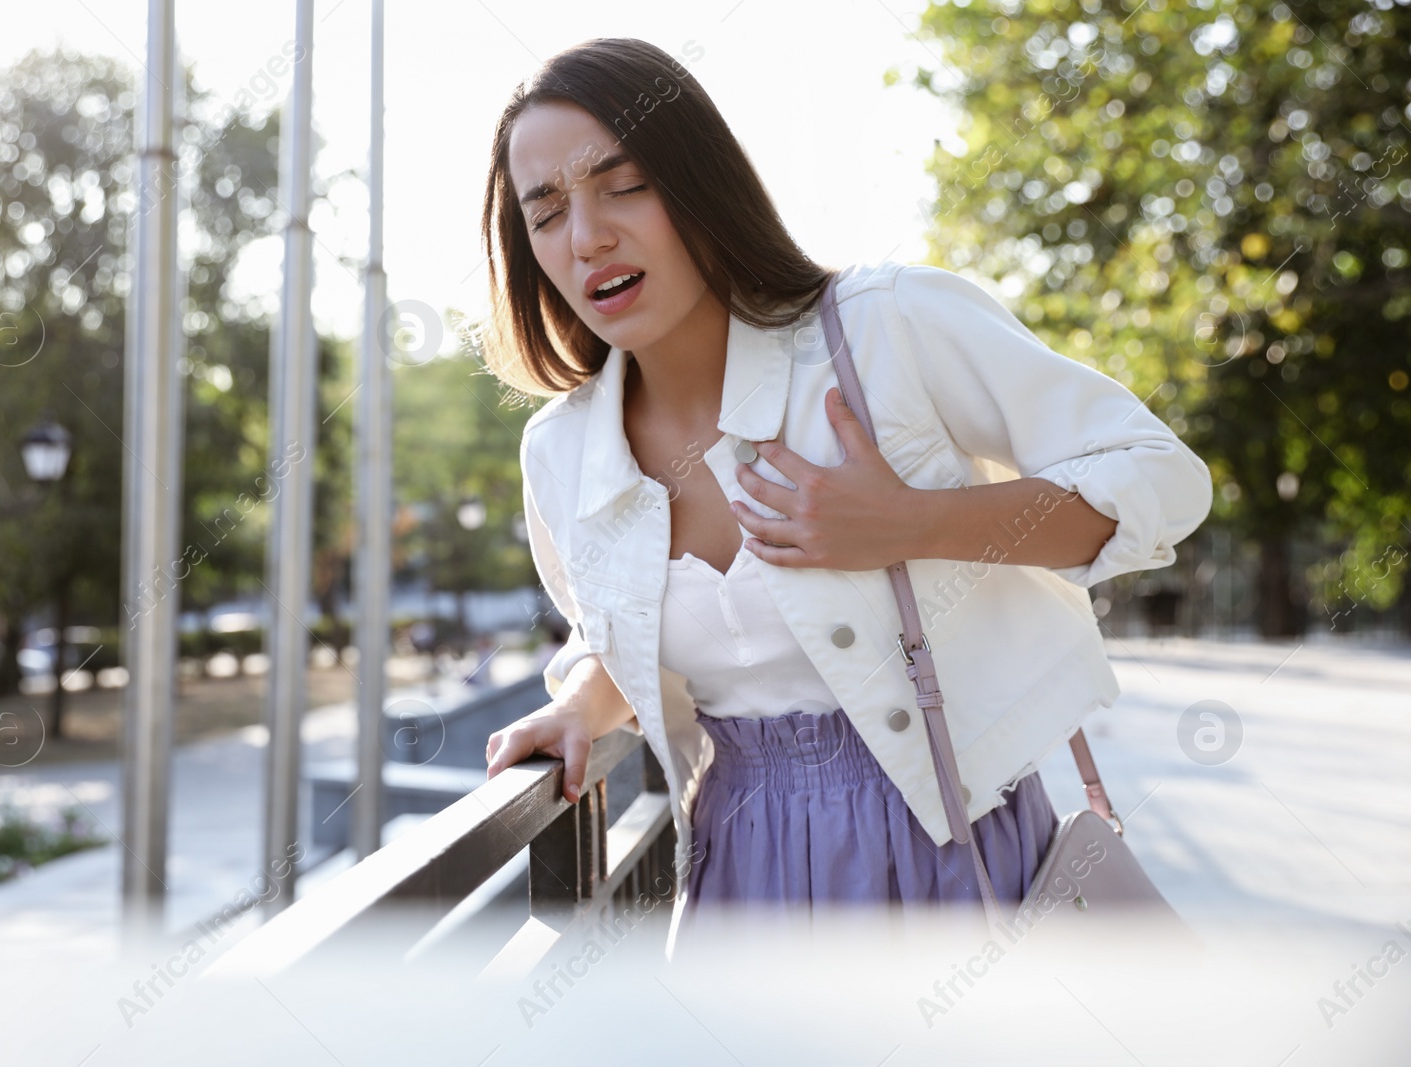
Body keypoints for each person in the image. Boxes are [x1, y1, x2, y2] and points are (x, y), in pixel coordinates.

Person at [479, 38, 1213, 958]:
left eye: (622, 185)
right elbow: (626, 626)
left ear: (700, 184)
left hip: (954, 847)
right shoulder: (560, 452)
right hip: (738, 877)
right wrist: (583, 703)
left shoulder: (884, 326)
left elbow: (1161, 477)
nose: (585, 236)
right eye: (545, 212)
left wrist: (912, 524)